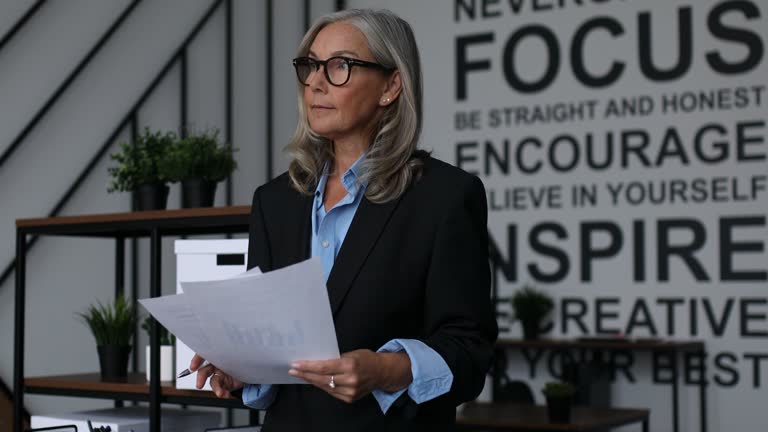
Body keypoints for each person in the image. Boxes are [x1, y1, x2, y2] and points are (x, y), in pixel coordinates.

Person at [188, 8, 498, 431]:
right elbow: (267, 345)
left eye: (340, 66)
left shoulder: (445, 197)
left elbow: (469, 353)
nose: (315, 81)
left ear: (390, 85)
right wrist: (240, 369)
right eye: (311, 65)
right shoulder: (274, 202)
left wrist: (386, 369)